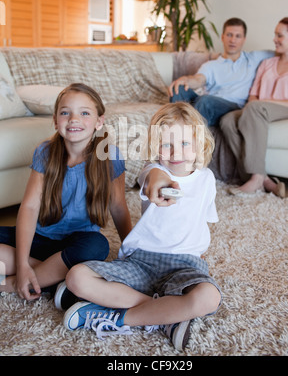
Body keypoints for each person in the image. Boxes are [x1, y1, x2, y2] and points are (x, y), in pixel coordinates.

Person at [57, 102, 222, 352]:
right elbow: (152, 180)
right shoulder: (152, 170)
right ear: (155, 147)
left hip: (186, 263)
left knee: (210, 297)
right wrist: (159, 180)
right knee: (76, 277)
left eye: (185, 144)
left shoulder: (207, 180)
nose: (175, 152)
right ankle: (167, 316)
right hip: (142, 261)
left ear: (201, 145)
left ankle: (118, 317)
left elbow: (201, 220)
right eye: (166, 144)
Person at [0, 83, 131, 301]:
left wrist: (131, 251)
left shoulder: (110, 157)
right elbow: (30, 208)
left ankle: (16, 283)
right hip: (40, 239)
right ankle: (52, 277)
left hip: (77, 244)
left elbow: (118, 207)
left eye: (85, 113)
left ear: (99, 122)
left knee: (98, 246)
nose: (74, 119)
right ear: (55, 120)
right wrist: (23, 264)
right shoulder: (45, 152)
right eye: (65, 112)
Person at [220, 17, 288, 196]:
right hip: (257, 110)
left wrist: (263, 103)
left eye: (280, 35)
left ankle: (256, 178)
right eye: (275, 35)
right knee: (227, 120)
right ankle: (262, 178)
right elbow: (253, 95)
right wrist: (256, 103)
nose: (274, 39)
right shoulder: (267, 63)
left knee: (255, 109)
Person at [169, 17, 274, 126]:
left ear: (244, 39)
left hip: (233, 106)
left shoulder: (254, 58)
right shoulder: (211, 65)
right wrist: (185, 80)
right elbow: (198, 80)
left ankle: (192, 139)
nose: (232, 40)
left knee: (205, 101)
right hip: (209, 102)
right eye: (229, 35)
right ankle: (175, 133)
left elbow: (283, 52)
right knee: (178, 89)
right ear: (222, 37)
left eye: (238, 36)